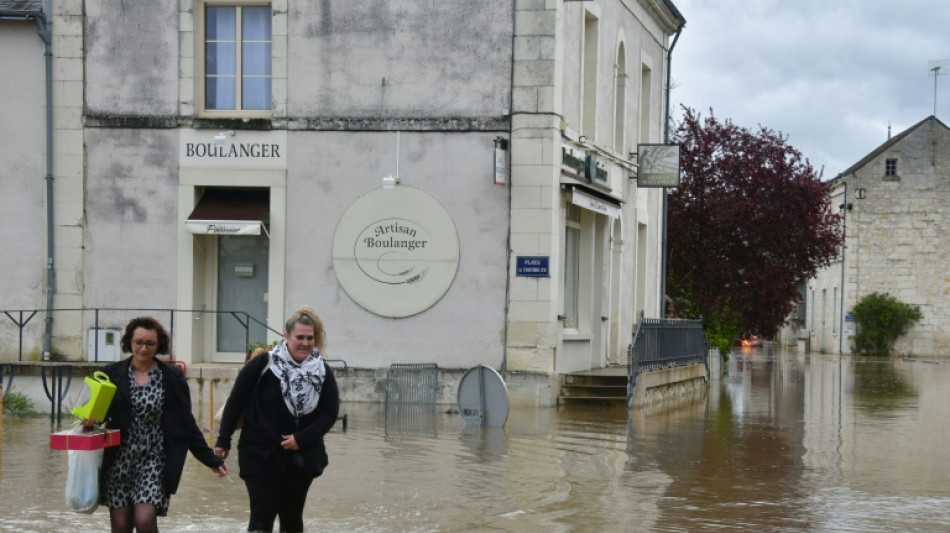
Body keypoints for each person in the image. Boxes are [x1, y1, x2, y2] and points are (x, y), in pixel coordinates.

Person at [86, 316, 228, 533]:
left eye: (150, 343)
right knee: (121, 526)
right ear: (129, 343)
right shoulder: (111, 374)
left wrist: (210, 459)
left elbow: (185, 423)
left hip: (154, 459)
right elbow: (96, 413)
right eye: (138, 342)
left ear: (158, 345)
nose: (143, 348)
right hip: (118, 460)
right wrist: (89, 422)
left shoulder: (171, 377)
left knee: (144, 520)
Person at [215, 306, 340, 533]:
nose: (305, 343)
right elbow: (236, 401)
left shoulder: (321, 371)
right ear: (286, 336)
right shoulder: (264, 363)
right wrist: (223, 441)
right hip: (260, 453)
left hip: (301, 457)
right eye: (299, 337)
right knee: (262, 518)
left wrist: (300, 439)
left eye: (309, 338)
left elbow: (329, 413)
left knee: (292, 519)